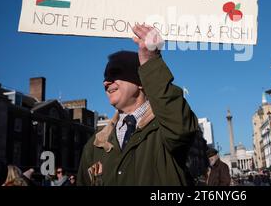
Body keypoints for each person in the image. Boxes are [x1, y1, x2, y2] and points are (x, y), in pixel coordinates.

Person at [77, 24, 199, 185]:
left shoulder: (166, 129)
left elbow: (181, 127)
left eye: (115, 75)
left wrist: (150, 63)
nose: (106, 82)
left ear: (140, 82)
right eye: (105, 78)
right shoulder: (95, 145)